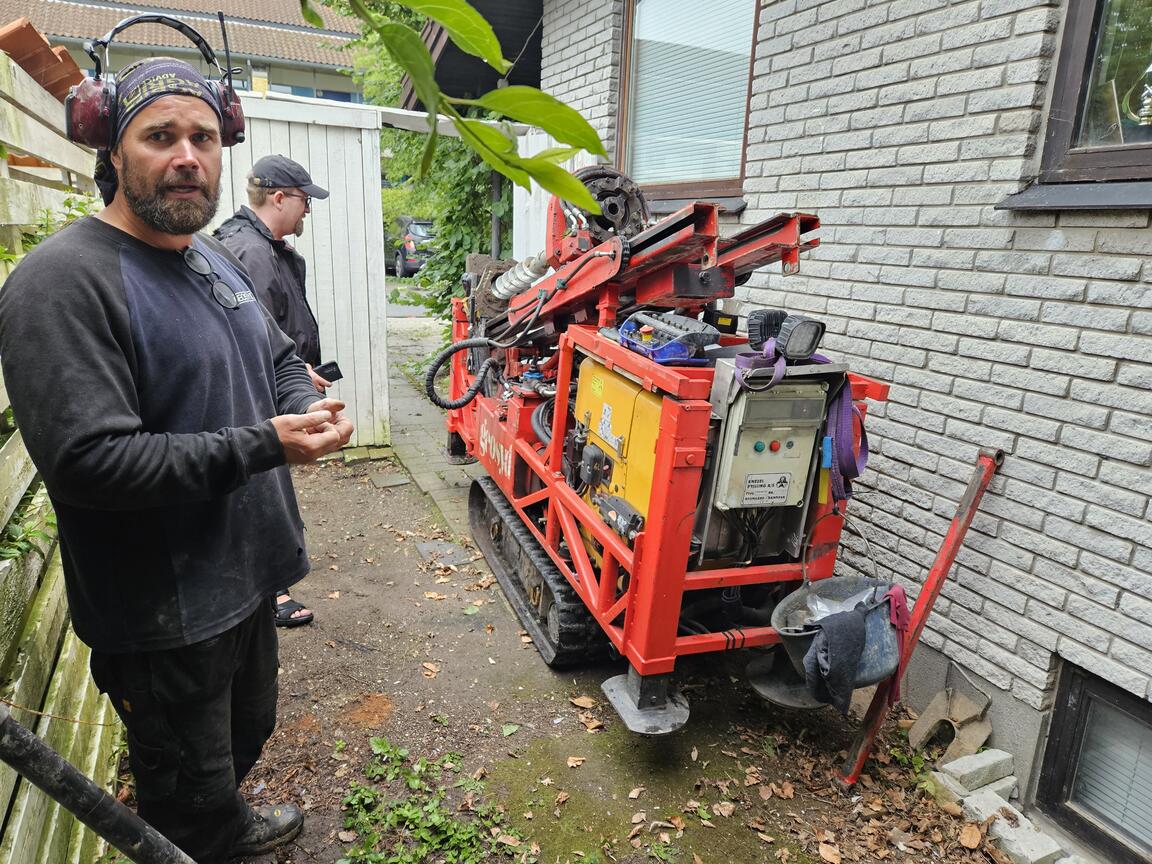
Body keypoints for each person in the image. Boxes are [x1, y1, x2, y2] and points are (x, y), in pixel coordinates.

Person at [0, 57, 353, 863]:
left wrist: (303, 406)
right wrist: (266, 443)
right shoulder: (60, 283)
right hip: (163, 614)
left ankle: (226, 819)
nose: (187, 155)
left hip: (248, 576)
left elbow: (278, 359)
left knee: (244, 731)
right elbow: (91, 463)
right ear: (112, 153)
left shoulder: (209, 256)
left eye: (202, 136)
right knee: (184, 790)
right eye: (160, 136)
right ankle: (207, 837)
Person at [215, 154, 330, 628]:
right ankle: (270, 589)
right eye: (304, 201)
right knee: (260, 480)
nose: (307, 211)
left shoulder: (267, 246)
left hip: (277, 384)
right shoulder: (251, 252)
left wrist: (300, 372)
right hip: (257, 395)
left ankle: (269, 581)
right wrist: (293, 370)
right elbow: (248, 334)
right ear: (279, 197)